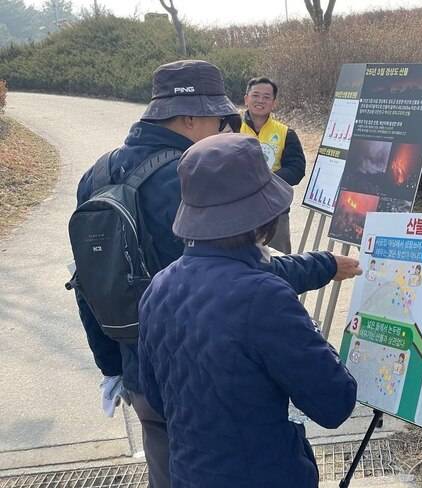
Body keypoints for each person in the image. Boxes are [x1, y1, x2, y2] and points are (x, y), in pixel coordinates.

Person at [73, 60, 360, 488]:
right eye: (218, 120)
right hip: (232, 398)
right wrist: (309, 302)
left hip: (152, 376)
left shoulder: (98, 175)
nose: (224, 128)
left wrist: (111, 366)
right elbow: (234, 281)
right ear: (189, 116)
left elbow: (87, 281)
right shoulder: (181, 176)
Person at [138, 134, 358, 487]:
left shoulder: (159, 288)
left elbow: (157, 398)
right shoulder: (266, 298)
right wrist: (313, 333)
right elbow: (335, 402)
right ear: (265, 215)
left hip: (188, 475)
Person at [241, 76, 306, 254]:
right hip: (238, 208)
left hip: (275, 210)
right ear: (246, 99)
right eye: (255, 95)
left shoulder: (285, 133)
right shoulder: (231, 128)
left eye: (266, 97)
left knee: (279, 260)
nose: (260, 101)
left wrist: (266, 180)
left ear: (274, 103)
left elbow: (296, 169)